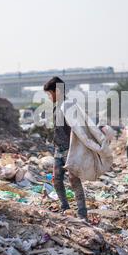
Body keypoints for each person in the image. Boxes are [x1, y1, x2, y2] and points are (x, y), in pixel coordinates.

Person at [43, 77, 88, 220]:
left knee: (74, 179)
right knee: (56, 179)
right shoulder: (58, 106)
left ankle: (82, 213)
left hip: (70, 149)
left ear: (57, 91)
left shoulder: (68, 106)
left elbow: (76, 128)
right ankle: (65, 208)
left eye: (50, 93)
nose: (49, 97)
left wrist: (76, 148)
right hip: (58, 148)